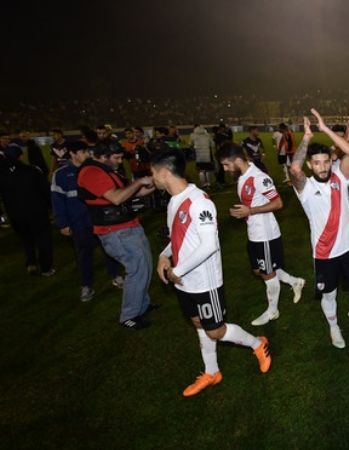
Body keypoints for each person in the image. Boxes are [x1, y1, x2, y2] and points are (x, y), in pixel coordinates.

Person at [151, 149, 272, 397]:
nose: (151, 178)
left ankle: (258, 343)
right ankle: (212, 372)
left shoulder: (200, 202)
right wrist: (165, 254)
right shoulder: (174, 199)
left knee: (215, 330)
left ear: (164, 173)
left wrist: (177, 269)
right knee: (198, 322)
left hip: (205, 282)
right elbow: (178, 237)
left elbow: (209, 245)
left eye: (153, 173)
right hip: (184, 281)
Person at [289, 110, 349, 349]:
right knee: (329, 295)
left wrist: (325, 129)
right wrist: (306, 138)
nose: (322, 167)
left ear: (330, 161)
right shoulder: (305, 188)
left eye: (326, 161)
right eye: (317, 163)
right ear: (310, 165)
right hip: (324, 253)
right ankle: (334, 327)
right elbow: (294, 169)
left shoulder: (340, 178)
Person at [218, 142, 306, 326]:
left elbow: (278, 203)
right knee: (259, 270)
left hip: (265, 234)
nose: (225, 169)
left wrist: (250, 211)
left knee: (268, 273)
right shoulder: (243, 176)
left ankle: (273, 311)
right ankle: (295, 281)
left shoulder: (258, 177)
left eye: (227, 164)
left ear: (237, 160)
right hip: (254, 233)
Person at [76, 142, 157, 329]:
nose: (120, 162)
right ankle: (129, 316)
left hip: (127, 226)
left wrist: (157, 182)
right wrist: (139, 182)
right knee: (136, 269)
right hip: (115, 231)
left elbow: (132, 194)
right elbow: (117, 198)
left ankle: (141, 306)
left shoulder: (106, 170)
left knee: (144, 267)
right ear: (103, 156)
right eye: (117, 158)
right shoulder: (91, 173)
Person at [52, 141, 123, 301]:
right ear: (73, 153)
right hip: (79, 222)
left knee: (110, 249)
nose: (88, 154)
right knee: (83, 254)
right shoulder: (62, 174)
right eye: (83, 151)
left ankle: (116, 275)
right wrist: (63, 222)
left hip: (100, 219)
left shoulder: (96, 170)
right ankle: (86, 285)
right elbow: (57, 199)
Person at [0, 145, 54, 276]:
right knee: (42, 239)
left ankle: (31, 263)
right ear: (21, 156)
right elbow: (45, 191)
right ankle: (46, 268)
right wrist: (52, 207)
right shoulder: (32, 171)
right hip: (36, 212)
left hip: (16, 214)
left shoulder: (2, 174)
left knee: (26, 239)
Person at [190, 125, 215, 189]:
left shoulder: (194, 136)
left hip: (199, 156)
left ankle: (203, 184)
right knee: (207, 170)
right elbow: (212, 144)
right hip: (207, 155)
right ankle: (209, 184)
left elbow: (190, 144)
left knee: (201, 171)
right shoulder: (207, 136)